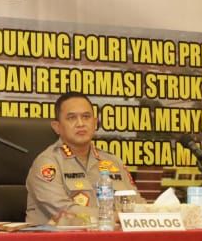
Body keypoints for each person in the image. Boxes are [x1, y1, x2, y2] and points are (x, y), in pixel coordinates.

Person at [24, 91, 137, 226]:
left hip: (109, 236)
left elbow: (135, 202)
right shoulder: (47, 164)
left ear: (95, 123)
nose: (80, 123)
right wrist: (114, 216)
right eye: (71, 118)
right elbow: (64, 211)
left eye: (86, 117)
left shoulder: (113, 162)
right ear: (57, 127)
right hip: (58, 238)